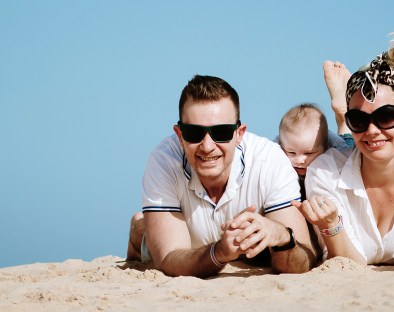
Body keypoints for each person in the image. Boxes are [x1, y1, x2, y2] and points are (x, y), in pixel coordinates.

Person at [126, 75, 317, 277]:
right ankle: (138, 231)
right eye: (193, 133)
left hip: (243, 253)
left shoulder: (268, 160)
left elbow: (303, 260)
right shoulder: (164, 161)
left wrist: (282, 237)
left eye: (222, 132)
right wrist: (219, 252)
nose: (207, 146)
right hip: (189, 247)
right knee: (146, 237)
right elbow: (168, 258)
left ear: (239, 133)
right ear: (180, 135)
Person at [300, 33, 394, 265]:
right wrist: (331, 225)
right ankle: (343, 115)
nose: (371, 130)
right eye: (358, 119)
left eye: (386, 116)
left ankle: (344, 111)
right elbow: (347, 262)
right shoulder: (324, 171)